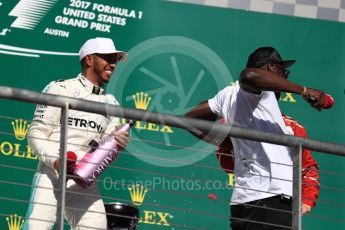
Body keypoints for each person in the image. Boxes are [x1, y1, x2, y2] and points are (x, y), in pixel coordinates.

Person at [186, 47, 327, 229]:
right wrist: (305, 90)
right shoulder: (258, 89)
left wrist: (224, 142)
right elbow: (249, 76)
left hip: (242, 203)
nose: (284, 78)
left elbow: (190, 119)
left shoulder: (228, 94)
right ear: (270, 68)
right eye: (282, 72)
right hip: (272, 200)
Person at [24, 37, 130, 230]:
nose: (113, 64)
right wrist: (56, 161)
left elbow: (106, 152)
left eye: (115, 59)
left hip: (85, 179)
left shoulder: (112, 103)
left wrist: (117, 146)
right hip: (52, 173)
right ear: (89, 60)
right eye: (108, 58)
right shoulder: (60, 88)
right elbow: (36, 133)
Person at [216, 114, 320, 216]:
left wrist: (307, 199)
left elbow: (308, 168)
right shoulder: (232, 121)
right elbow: (226, 162)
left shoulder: (291, 126)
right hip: (244, 201)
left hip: (272, 200)